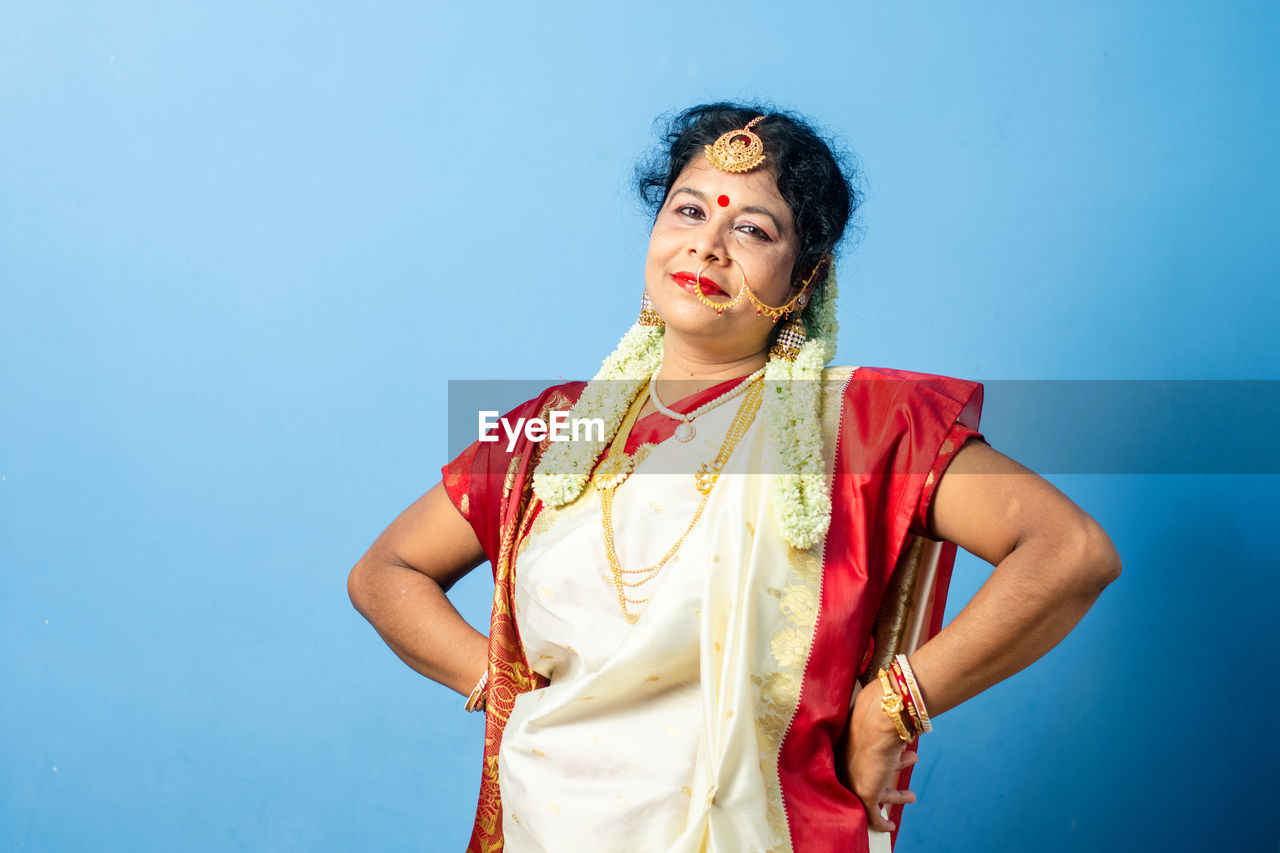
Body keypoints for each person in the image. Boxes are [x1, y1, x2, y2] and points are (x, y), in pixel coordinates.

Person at [347, 103, 1121, 853]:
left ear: (805, 280)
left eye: (751, 228)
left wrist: (892, 709)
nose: (707, 247)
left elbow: (1070, 549)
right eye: (687, 212)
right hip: (549, 823)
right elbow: (384, 572)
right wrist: (498, 688)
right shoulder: (557, 426)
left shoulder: (860, 425)